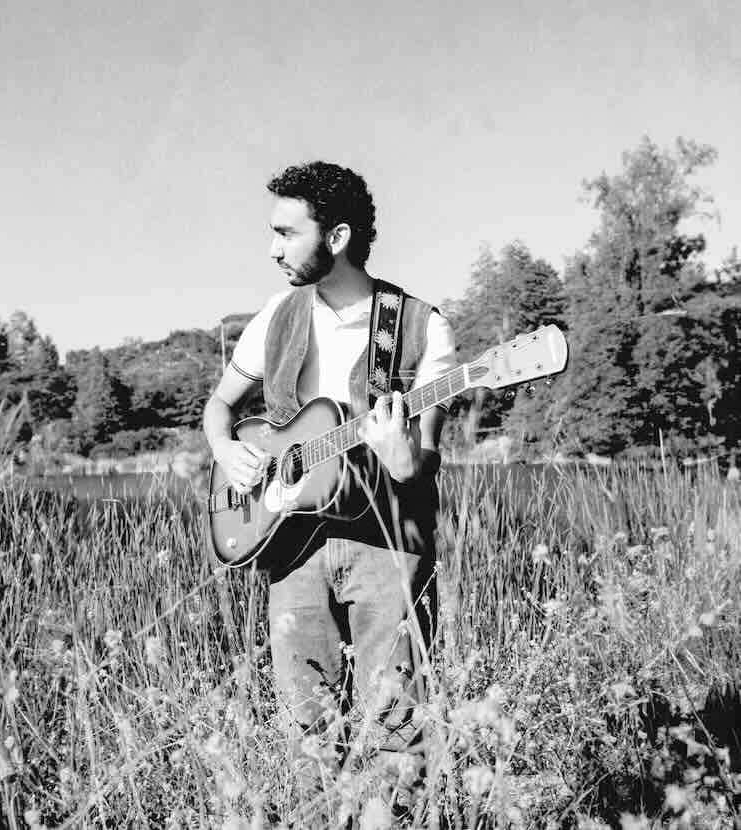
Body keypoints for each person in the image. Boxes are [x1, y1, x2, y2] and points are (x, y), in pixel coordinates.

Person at [202, 162, 457, 814]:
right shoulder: (274, 317)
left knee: (395, 743)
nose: (272, 248)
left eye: (286, 233)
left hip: (388, 554)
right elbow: (219, 408)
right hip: (291, 553)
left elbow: (420, 460)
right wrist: (226, 449)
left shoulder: (422, 326)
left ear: (336, 236)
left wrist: (404, 461)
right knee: (308, 744)